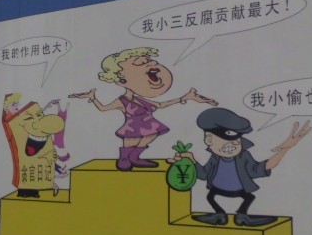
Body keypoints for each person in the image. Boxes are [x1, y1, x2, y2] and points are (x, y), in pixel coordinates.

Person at [70, 47, 215, 171]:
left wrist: (185, 97)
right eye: (140, 63)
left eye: (148, 60)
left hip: (148, 124)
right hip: (132, 127)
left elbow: (160, 105)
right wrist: (92, 97)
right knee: (129, 147)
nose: (153, 63)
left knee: (151, 135)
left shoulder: (140, 99)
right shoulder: (121, 101)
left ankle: (135, 157)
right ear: (121, 80)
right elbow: (103, 108)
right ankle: (125, 158)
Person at [174, 107, 310, 226]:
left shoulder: (243, 156)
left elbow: (262, 168)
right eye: (226, 140)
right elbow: (204, 174)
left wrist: (285, 149)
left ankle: (242, 215)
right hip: (217, 188)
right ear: (209, 140)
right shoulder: (215, 158)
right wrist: (191, 160)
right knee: (211, 196)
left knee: (248, 197)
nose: (233, 145)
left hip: (238, 189)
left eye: (236, 141)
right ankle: (220, 214)